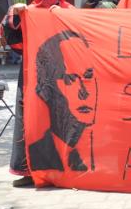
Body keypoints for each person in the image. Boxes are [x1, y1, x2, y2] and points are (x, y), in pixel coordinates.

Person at [1, 0, 74, 187]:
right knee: (30, 121)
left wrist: (63, 16)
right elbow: (12, 39)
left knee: (62, 120)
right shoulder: (26, 12)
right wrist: (14, 14)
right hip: (32, 76)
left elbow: (82, 36)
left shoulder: (68, 11)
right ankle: (29, 171)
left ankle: (65, 169)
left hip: (63, 77)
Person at [28, 31, 98, 172]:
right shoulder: (38, 155)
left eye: (88, 76)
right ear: (46, 88)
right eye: (69, 79)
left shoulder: (108, 150)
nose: (83, 92)